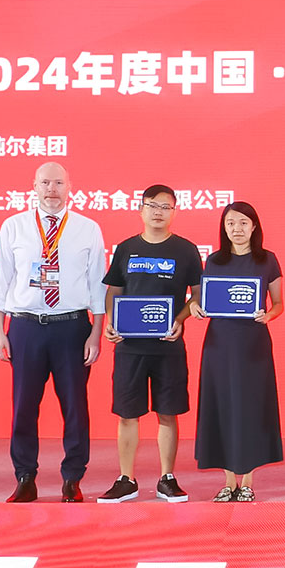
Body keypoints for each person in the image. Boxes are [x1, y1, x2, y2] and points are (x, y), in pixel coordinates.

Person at [0, 162, 107, 503]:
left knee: (75, 407)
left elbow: (98, 284)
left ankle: (73, 478)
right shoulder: (14, 227)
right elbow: (1, 281)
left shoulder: (87, 228)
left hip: (72, 327)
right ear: (34, 186)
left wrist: (95, 333)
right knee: (24, 406)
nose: (51, 189)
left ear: (69, 186)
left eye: (58, 183)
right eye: (45, 183)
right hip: (25, 327)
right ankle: (25, 476)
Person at [98, 185, 202, 504]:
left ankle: (166, 478)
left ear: (174, 212)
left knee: (168, 413)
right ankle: (126, 479)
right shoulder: (127, 248)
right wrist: (111, 322)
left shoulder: (186, 250)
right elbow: (114, 290)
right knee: (127, 414)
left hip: (168, 346)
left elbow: (198, 296)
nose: (158, 212)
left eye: (165, 207)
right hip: (129, 347)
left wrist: (179, 320)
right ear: (141, 209)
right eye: (152, 205)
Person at [190, 202, 284, 502]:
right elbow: (202, 300)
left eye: (243, 223)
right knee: (222, 405)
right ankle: (228, 481)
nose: (237, 229)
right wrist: (195, 308)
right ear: (224, 227)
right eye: (231, 223)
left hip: (253, 344)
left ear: (254, 226)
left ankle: (248, 482)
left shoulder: (267, 260)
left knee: (250, 407)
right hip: (219, 345)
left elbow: (278, 304)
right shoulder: (214, 260)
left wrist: (268, 315)